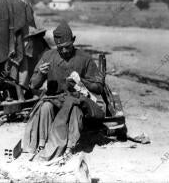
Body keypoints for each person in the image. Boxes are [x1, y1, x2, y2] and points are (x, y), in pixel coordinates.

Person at [22, 21, 106, 161]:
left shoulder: (84, 58)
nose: (65, 51)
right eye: (60, 48)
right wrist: (41, 74)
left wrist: (82, 81)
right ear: (56, 45)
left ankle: (69, 147)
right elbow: (33, 86)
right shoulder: (48, 56)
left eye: (67, 47)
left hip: (77, 99)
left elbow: (99, 87)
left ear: (73, 40)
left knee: (74, 109)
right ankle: (42, 144)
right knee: (45, 107)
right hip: (55, 99)